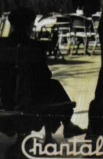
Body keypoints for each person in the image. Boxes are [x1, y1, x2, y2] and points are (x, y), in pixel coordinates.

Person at [0, 8, 84, 142]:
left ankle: (66, 125)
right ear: (30, 25)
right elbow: (44, 75)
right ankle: (65, 125)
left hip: (4, 96)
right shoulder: (35, 46)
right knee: (53, 85)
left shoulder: (2, 45)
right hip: (31, 98)